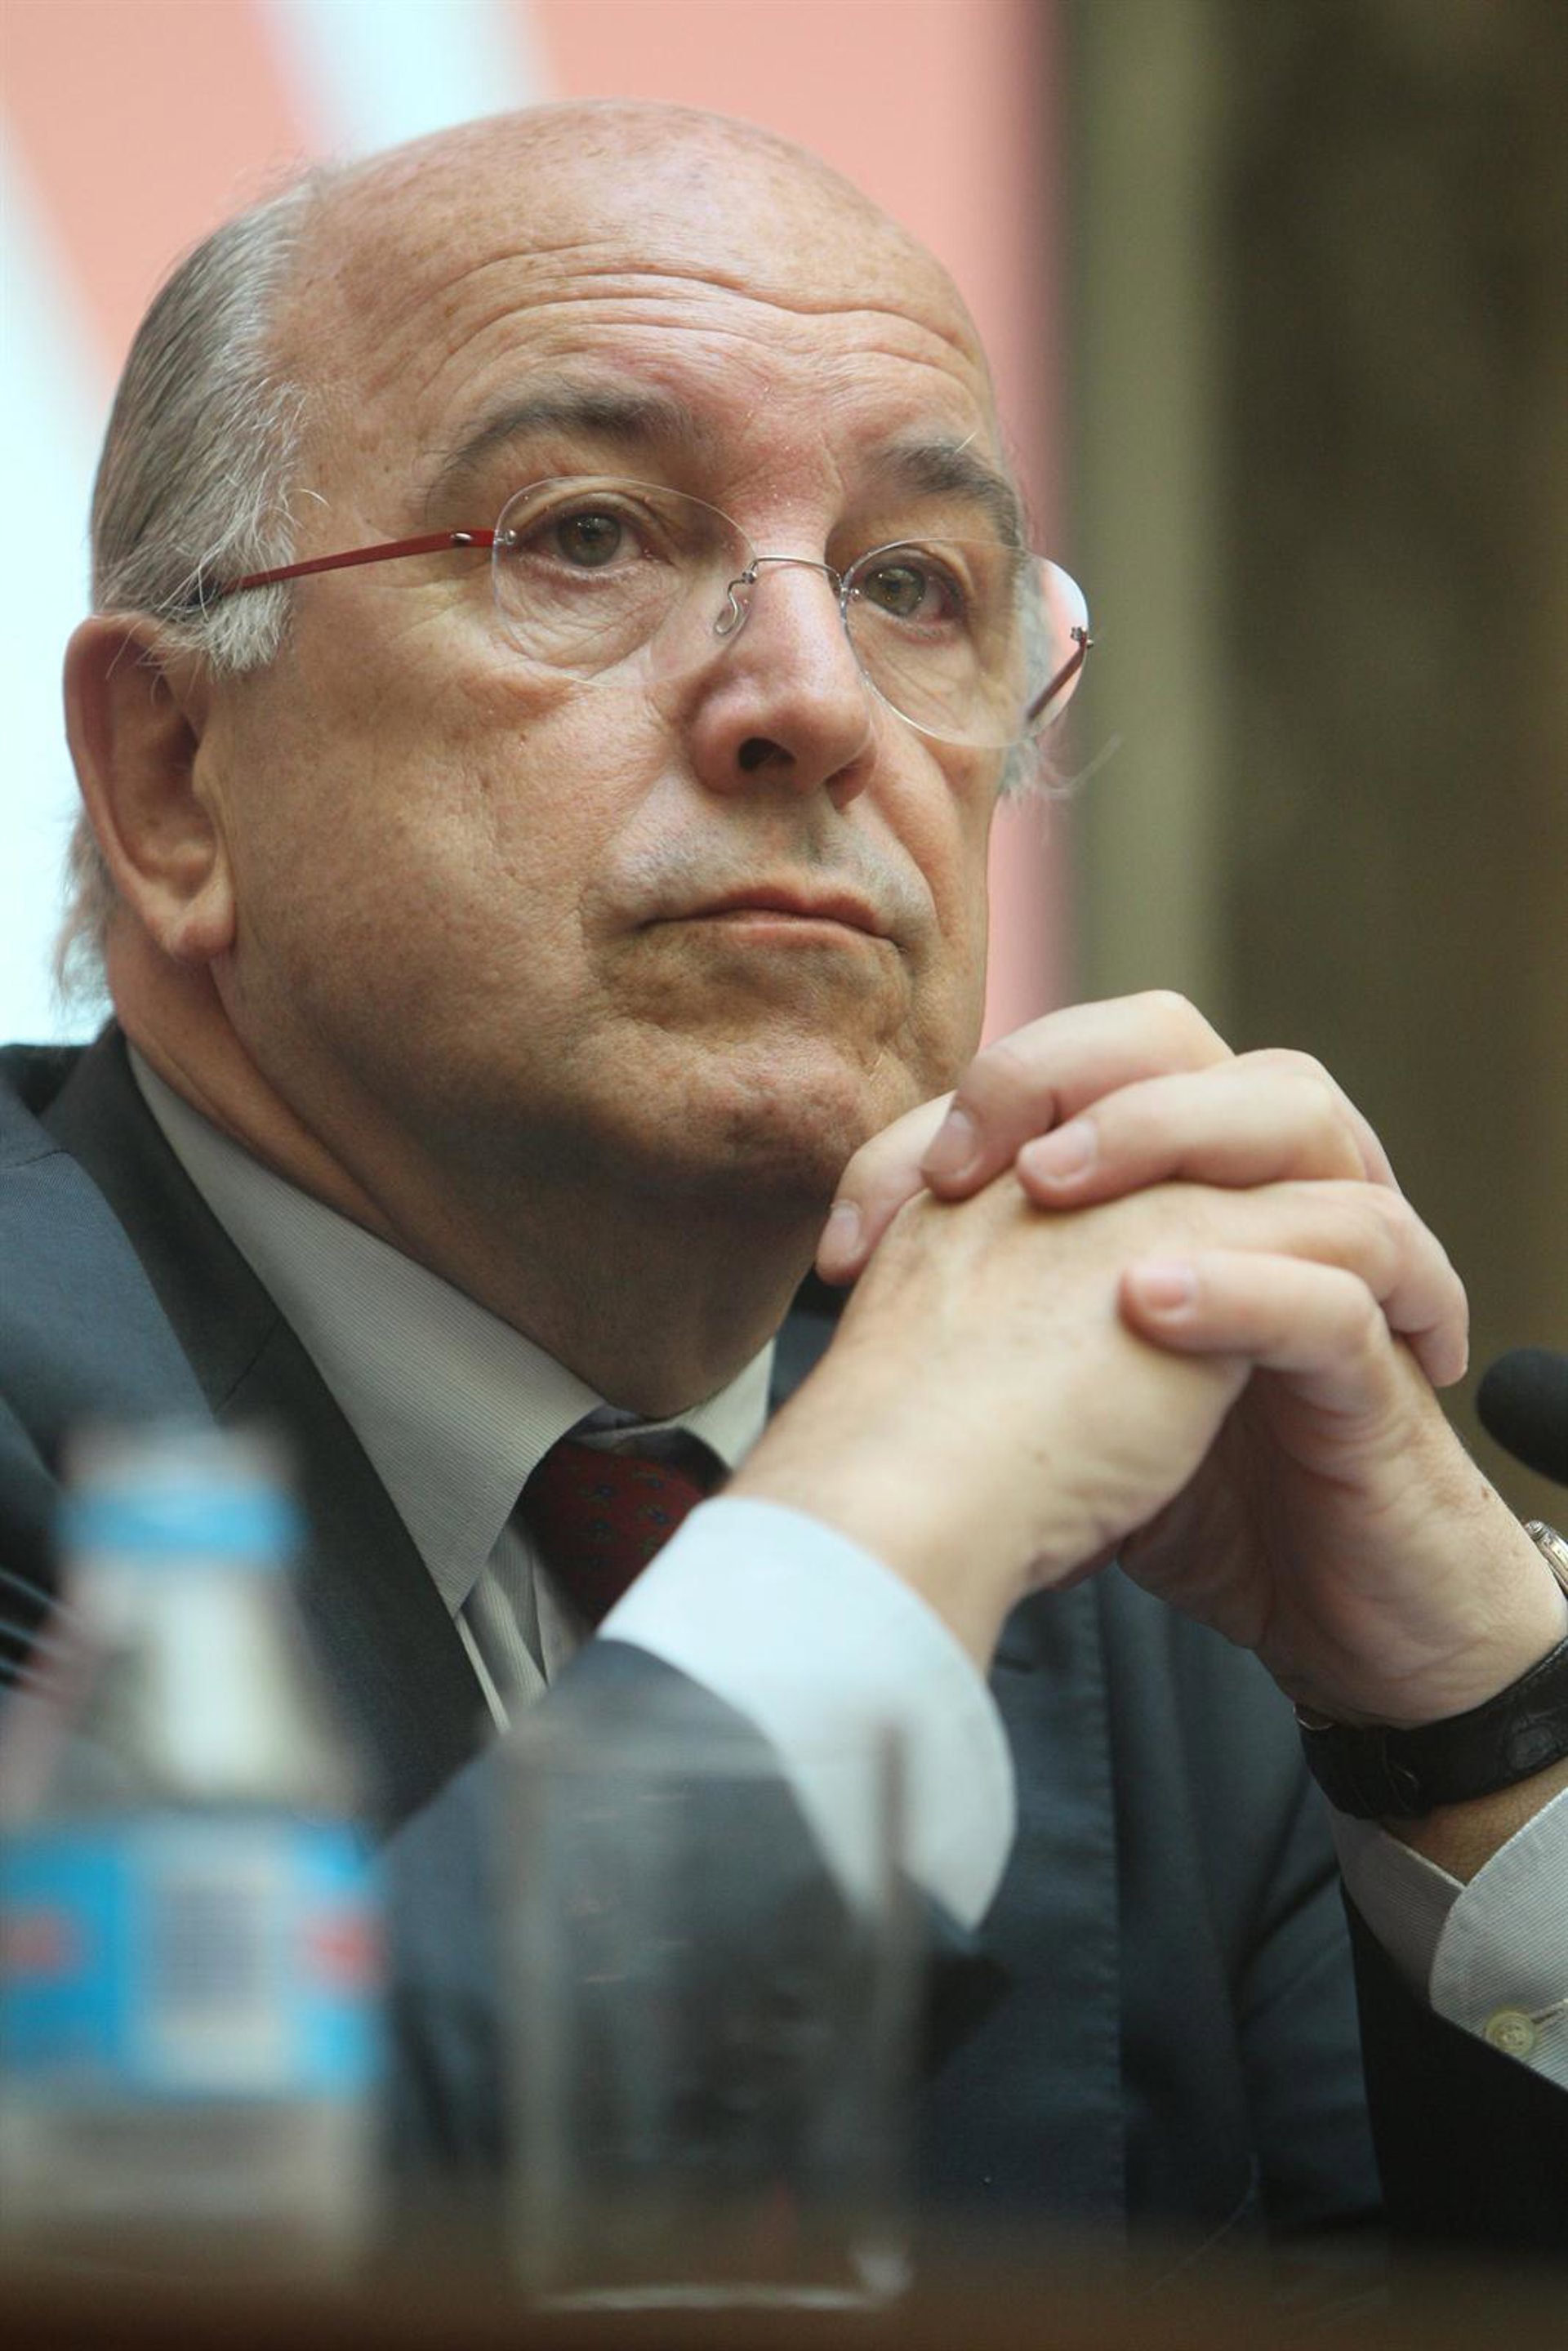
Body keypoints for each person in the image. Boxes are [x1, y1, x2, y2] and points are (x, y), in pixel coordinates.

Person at [2, 102, 1565, 2266]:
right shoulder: (965, 1470)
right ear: (174, 773)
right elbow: (150, 2256)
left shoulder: (1155, 1541)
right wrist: (884, 1518)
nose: (815, 702)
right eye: (584, 540)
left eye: (915, 584)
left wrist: (1481, 1745)